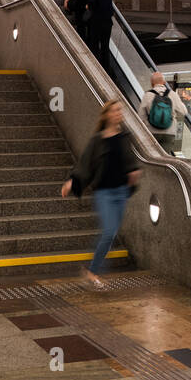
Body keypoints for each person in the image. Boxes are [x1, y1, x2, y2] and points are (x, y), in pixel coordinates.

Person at [61, 99, 140, 290]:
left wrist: (133, 172)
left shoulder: (124, 137)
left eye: (120, 110)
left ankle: (92, 270)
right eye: (114, 111)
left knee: (110, 234)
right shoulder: (98, 140)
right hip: (104, 193)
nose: (118, 114)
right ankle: (92, 272)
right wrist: (72, 182)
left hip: (121, 191)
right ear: (106, 115)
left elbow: (130, 160)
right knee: (109, 232)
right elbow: (85, 164)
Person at [139, 71, 187, 154]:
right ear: (164, 82)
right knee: (165, 157)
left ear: (152, 83)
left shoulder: (147, 95)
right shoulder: (172, 94)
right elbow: (183, 111)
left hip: (152, 132)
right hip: (169, 133)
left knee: (153, 156)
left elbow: (141, 116)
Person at [85, 0, 115, 74]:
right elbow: (111, 11)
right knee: (105, 46)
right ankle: (106, 68)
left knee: (94, 44)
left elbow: (90, 6)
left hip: (96, 23)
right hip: (108, 24)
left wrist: (88, 6)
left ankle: (95, 67)